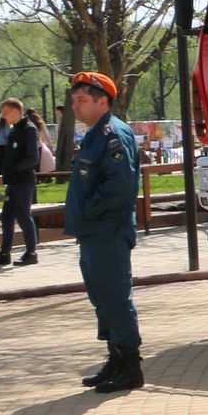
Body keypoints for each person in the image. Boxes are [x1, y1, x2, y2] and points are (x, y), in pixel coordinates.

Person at [64, 72, 142, 393]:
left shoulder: (113, 135)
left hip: (107, 231)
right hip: (94, 232)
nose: (75, 107)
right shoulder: (96, 135)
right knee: (103, 299)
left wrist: (90, 211)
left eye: (82, 100)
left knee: (115, 298)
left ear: (103, 101)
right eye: (74, 101)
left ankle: (130, 367)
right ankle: (115, 359)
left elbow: (120, 188)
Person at [0, 97, 39, 267]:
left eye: (6, 113)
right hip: (13, 182)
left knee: (23, 215)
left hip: (23, 181)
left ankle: (31, 252)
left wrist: (15, 168)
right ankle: (5, 253)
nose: (4, 117)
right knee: (7, 216)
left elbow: (33, 158)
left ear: (16, 111)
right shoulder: (15, 130)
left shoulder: (28, 129)